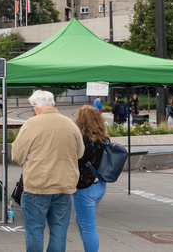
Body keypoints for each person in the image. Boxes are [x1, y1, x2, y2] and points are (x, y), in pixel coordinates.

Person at [12, 90, 84, 252]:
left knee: (35, 230)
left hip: (37, 186)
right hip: (65, 185)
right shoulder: (70, 125)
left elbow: (17, 155)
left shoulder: (31, 124)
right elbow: (80, 153)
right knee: (59, 231)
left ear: (36, 106)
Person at [73, 106, 109, 252]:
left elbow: (76, 161)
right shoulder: (103, 139)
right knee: (80, 220)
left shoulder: (83, 140)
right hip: (99, 185)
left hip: (85, 187)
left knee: (88, 226)